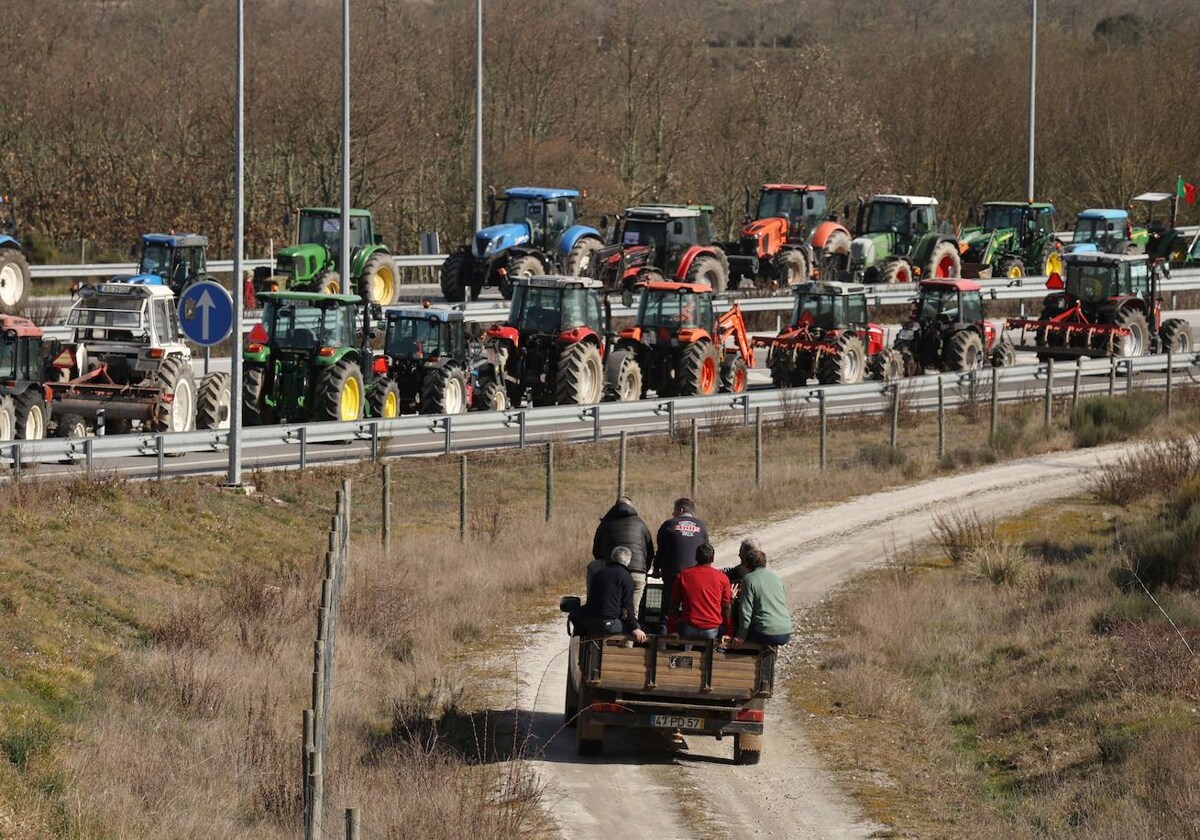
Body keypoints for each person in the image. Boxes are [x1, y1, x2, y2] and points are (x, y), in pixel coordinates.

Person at [592, 496, 654, 619]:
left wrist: (605, 568)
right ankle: (632, 627)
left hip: (611, 572)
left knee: (611, 608)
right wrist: (643, 571)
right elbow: (650, 551)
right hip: (637, 573)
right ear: (632, 507)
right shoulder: (641, 523)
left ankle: (601, 616)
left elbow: (596, 551)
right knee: (633, 611)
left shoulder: (606, 523)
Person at [653, 497, 709, 630]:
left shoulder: (669, 524)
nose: (673, 514)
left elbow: (661, 550)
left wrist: (656, 569)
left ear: (681, 510)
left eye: (674, 510)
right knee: (690, 610)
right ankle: (687, 644)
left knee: (668, 610)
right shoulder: (701, 526)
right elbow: (706, 550)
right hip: (695, 577)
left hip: (673, 575)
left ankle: (662, 643)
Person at [579, 547, 648, 642]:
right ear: (628, 560)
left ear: (612, 557)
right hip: (608, 624)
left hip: (589, 623)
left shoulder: (599, 573)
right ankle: (624, 653)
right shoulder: (625, 576)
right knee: (639, 627)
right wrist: (635, 628)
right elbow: (628, 606)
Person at [730, 547, 792, 648]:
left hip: (767, 631)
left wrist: (741, 636)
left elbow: (745, 611)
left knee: (730, 632)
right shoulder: (776, 578)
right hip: (785, 631)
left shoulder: (748, 579)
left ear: (747, 564)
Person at [669, 542, 731, 641]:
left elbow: (674, 603)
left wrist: (672, 629)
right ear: (712, 558)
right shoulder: (723, 578)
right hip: (712, 628)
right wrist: (729, 631)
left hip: (689, 626)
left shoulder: (683, 575)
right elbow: (726, 606)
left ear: (696, 557)